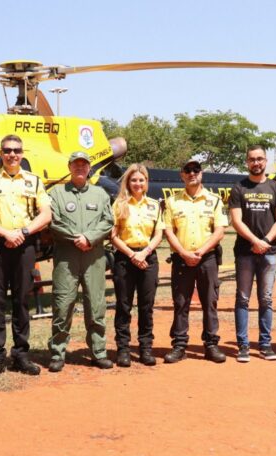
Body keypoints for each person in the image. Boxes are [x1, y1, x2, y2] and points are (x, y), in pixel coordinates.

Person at [0, 134, 51, 377]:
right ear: (1, 153)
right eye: (7, 150)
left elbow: (46, 214)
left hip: (24, 247)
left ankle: (21, 354)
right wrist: (6, 233)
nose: (12, 154)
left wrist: (23, 231)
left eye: (16, 150)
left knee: (22, 301)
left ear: (22, 153)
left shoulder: (34, 181)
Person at [47, 151, 114, 372]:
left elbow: (108, 221)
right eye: (75, 164)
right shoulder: (56, 193)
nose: (80, 168)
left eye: (84, 164)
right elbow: (53, 221)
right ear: (69, 166)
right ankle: (58, 352)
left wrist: (90, 238)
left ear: (89, 168)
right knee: (62, 304)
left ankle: (98, 352)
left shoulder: (100, 194)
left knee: (95, 305)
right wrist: (77, 238)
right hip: (67, 256)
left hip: (94, 256)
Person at [162, 158, 228, 364]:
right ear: (181, 175)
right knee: (181, 303)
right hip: (181, 259)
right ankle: (179, 345)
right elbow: (168, 231)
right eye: (187, 170)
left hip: (207, 258)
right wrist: (183, 253)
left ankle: (211, 345)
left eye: (196, 170)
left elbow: (220, 230)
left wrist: (199, 252)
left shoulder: (214, 200)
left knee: (210, 302)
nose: (192, 173)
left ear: (201, 174)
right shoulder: (172, 202)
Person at [228, 145, 276, 362]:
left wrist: (265, 241)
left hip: (268, 252)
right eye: (252, 159)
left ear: (266, 161)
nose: (256, 163)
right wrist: (254, 241)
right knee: (243, 299)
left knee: (266, 299)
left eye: (260, 159)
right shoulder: (238, 188)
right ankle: (243, 346)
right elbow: (236, 220)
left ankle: (265, 344)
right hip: (245, 252)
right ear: (247, 162)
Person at [111, 164, 163, 367]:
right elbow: (113, 236)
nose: (138, 183)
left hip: (148, 257)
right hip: (125, 257)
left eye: (141, 180)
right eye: (134, 180)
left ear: (146, 182)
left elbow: (159, 233)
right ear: (128, 182)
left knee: (146, 306)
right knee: (123, 306)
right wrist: (133, 254)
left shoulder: (154, 205)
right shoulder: (119, 205)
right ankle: (123, 349)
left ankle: (145, 348)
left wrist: (144, 253)